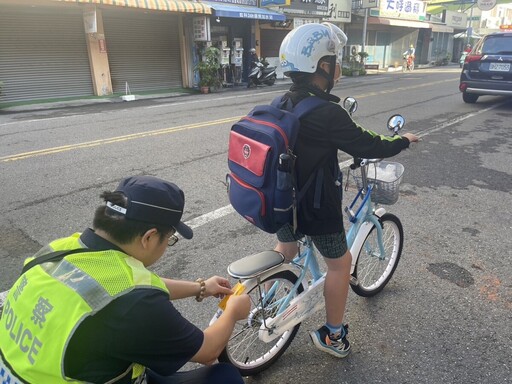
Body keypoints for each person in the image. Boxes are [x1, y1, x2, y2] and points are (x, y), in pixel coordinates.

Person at [0, 175, 250, 384]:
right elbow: (208, 351)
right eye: (170, 239)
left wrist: (201, 287)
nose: (166, 245)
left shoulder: (60, 250)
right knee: (223, 376)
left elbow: (119, 286)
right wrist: (232, 312)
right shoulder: (134, 306)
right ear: (149, 237)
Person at [277, 23, 419, 358]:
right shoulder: (327, 112)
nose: (338, 66)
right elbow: (367, 142)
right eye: (334, 60)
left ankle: (272, 287)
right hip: (314, 206)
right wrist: (401, 141)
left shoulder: (283, 100)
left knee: (286, 247)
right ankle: (333, 336)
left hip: (283, 201)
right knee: (340, 264)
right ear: (322, 67)